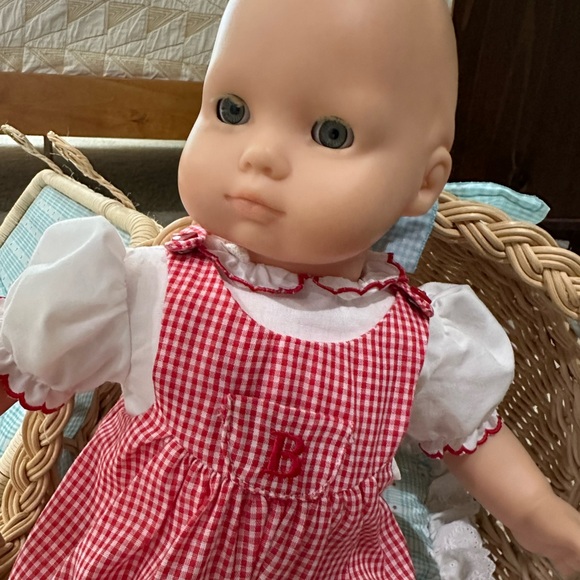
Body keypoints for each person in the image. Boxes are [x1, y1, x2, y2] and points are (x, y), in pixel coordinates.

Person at [1, 0, 579, 577]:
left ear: (423, 184)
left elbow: (499, 470)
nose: (260, 155)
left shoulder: (421, 344)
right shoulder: (147, 286)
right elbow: (18, 355)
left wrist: (550, 527)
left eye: (331, 133)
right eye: (232, 110)